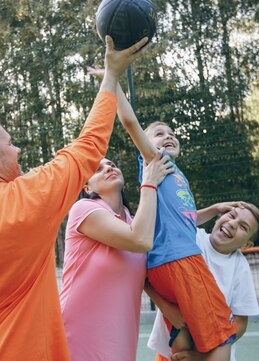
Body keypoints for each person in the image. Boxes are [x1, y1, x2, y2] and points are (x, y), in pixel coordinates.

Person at [0, 35, 149, 361]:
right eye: (10, 143)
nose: (17, 149)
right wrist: (111, 74)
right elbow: (89, 145)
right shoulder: (27, 198)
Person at [87, 69, 237, 360]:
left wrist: (215, 210)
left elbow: (186, 219)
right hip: (182, 261)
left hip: (165, 266)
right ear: (147, 142)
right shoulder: (156, 160)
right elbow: (130, 122)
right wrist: (112, 78)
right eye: (159, 134)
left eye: (171, 134)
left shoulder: (178, 176)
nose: (168, 137)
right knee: (223, 337)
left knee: (182, 340)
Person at [59, 153, 174, 361]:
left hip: (121, 334)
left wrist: (217, 210)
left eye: (111, 165)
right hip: (78, 328)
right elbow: (140, 240)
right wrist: (149, 183)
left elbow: (170, 229)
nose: (108, 168)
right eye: (99, 169)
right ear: (87, 188)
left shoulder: (133, 221)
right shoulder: (83, 209)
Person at [146, 202, 259, 361]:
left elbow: (240, 322)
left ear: (246, 245)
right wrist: (167, 309)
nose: (232, 224)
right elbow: (172, 220)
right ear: (218, 218)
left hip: (210, 354)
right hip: (172, 350)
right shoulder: (191, 237)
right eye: (231, 215)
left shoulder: (239, 267)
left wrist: (201, 356)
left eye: (243, 227)